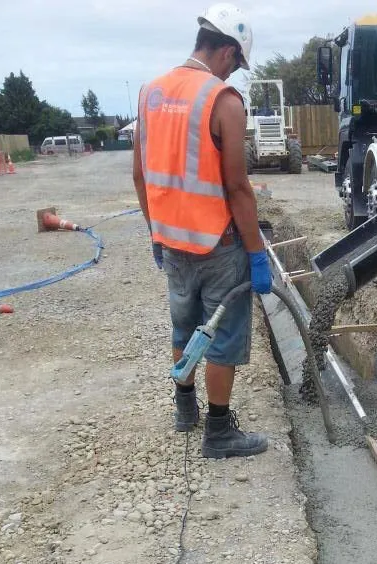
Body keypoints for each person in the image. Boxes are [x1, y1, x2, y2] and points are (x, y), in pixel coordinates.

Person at [133, 3, 273, 459]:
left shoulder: (150, 93)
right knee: (223, 336)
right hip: (218, 243)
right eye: (236, 63)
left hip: (172, 240)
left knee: (184, 326)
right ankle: (218, 432)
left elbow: (140, 176)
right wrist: (256, 253)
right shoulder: (223, 101)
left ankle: (184, 410)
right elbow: (236, 185)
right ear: (228, 52)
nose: (234, 73)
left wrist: (156, 233)